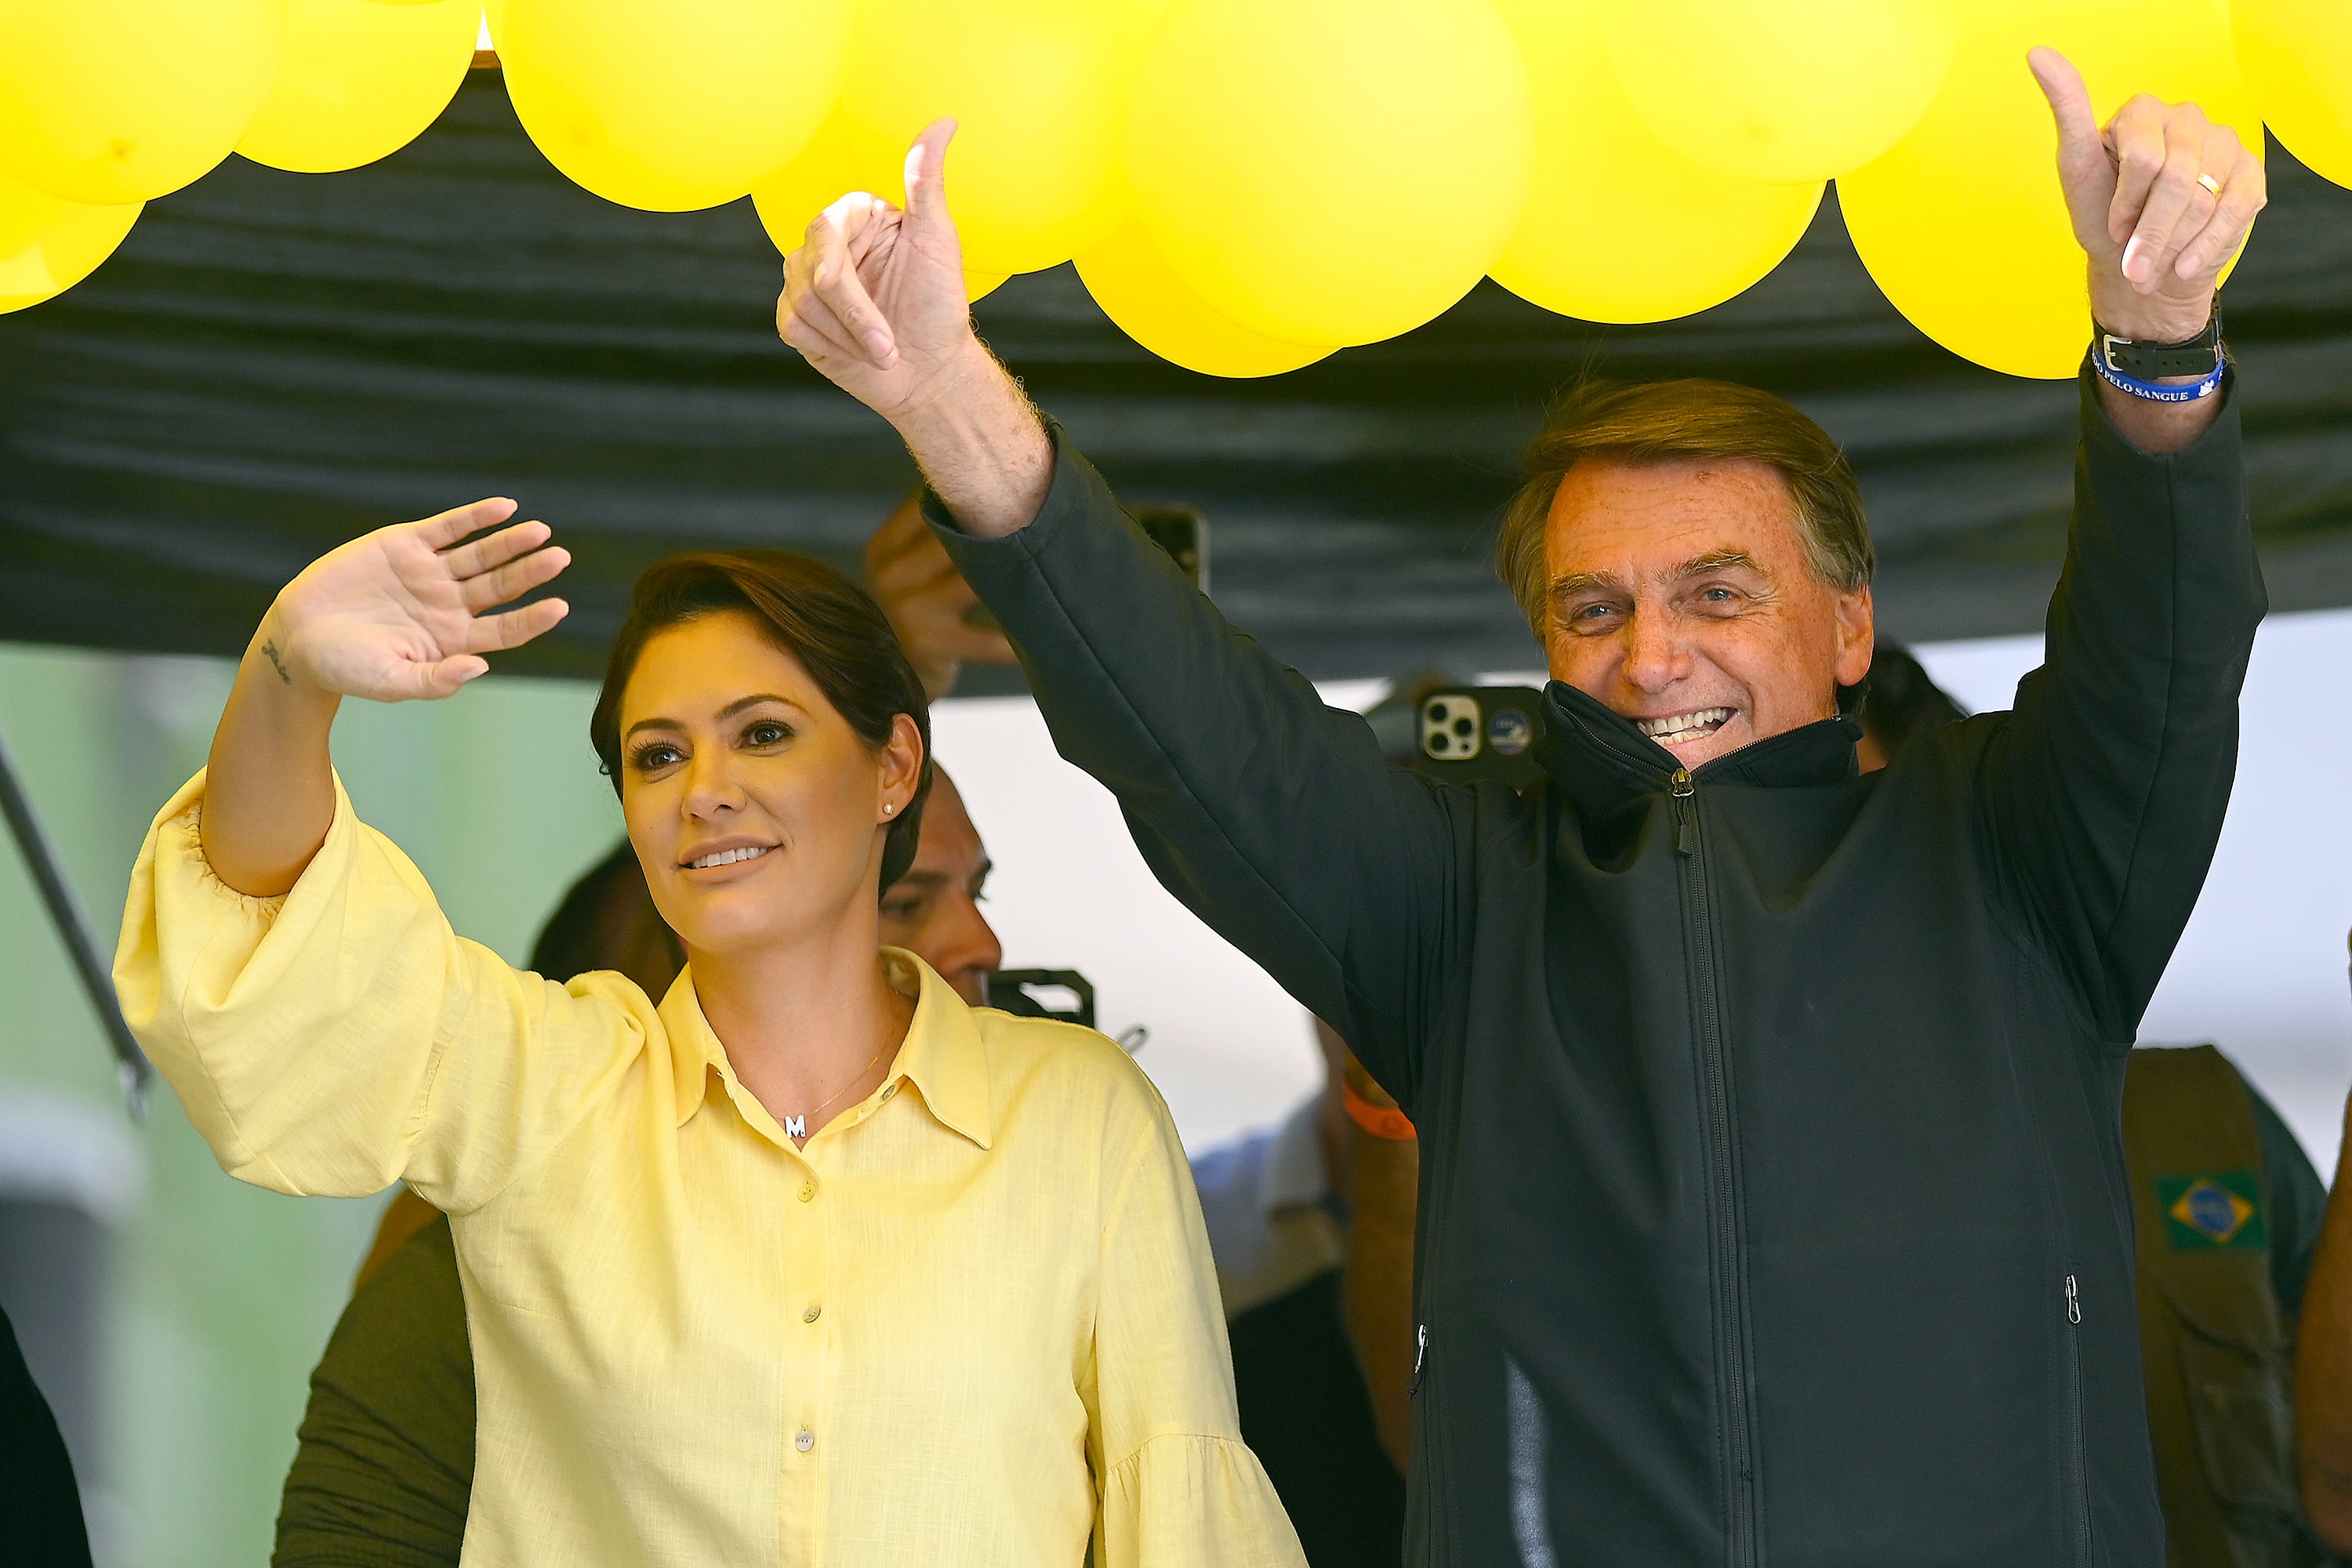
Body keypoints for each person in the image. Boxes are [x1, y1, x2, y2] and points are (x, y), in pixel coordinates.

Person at [777, 42, 2265, 1564]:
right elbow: (1193, 729)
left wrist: (2155, 339)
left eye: (1717, 592)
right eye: (1593, 607)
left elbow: (2162, 649)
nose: (1653, 654)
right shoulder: (1464, 901)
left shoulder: (2017, 854)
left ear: (1849, 624)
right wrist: (944, 389)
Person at [115, 530, 1302, 1565]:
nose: (706, 791)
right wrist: (287, 670)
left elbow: (1183, 1517)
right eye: (658, 755)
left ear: (893, 768)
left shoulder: (1082, 1115)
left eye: (764, 733)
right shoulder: (549, 1085)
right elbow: (286, 950)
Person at [1344, 648, 2343, 1566]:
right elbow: (1441, 1445)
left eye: (1834, 848)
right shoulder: (1609, 1157)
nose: (1786, 906)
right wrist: (1401, 1084)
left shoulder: (2193, 1121)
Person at [276, 766, 1000, 1566]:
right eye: (905, 903)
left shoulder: (1034, 1207)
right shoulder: (469, 1282)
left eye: (979, 894)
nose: (984, 944)